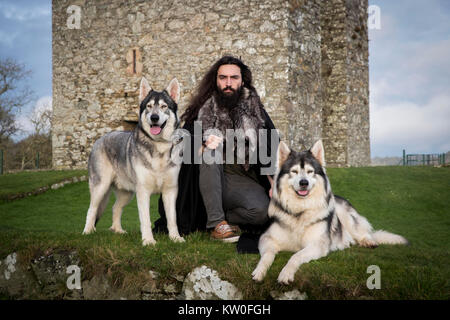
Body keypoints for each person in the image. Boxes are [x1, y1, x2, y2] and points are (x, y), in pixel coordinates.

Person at [155, 56, 278, 244]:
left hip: (243, 175)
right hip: (210, 172)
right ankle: (216, 223)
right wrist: (203, 145)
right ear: (216, 80)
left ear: (242, 80)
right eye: (223, 78)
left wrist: (273, 182)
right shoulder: (202, 108)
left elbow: (269, 144)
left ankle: (209, 215)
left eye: (234, 78)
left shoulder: (255, 108)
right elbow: (180, 149)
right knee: (210, 154)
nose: (228, 83)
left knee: (262, 213)